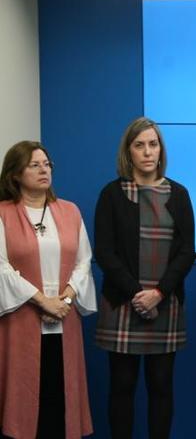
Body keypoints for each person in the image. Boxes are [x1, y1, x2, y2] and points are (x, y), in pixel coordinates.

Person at [93, 117, 195, 438]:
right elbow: (105, 252)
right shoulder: (112, 193)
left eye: (153, 144)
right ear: (129, 152)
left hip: (165, 303)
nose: (148, 152)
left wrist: (159, 294)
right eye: (140, 145)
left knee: (161, 385)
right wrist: (138, 294)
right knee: (122, 386)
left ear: (161, 150)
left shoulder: (178, 194)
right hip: (123, 302)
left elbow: (185, 251)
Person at [0, 140, 97, 438]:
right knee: (24, 399)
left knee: (60, 395)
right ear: (16, 173)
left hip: (64, 320)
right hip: (22, 321)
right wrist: (43, 301)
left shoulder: (69, 211)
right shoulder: (4, 213)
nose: (44, 170)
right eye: (34, 165)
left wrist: (64, 300)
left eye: (47, 164)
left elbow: (84, 262)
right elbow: (1, 265)